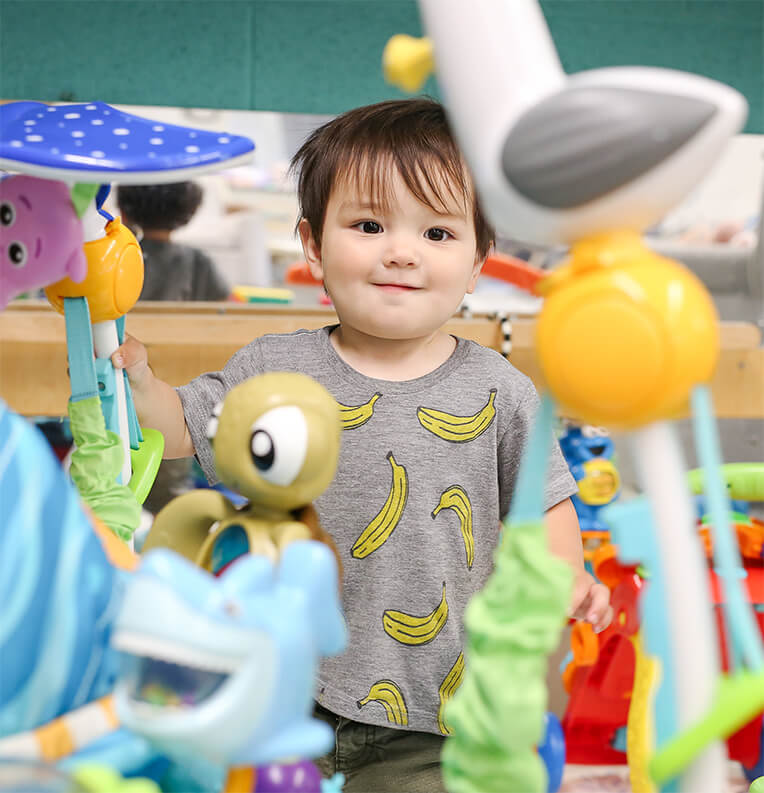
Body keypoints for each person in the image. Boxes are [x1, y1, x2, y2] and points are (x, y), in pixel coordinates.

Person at [113, 98, 612, 792]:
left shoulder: (501, 392)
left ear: (476, 263)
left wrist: (571, 577)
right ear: (313, 243)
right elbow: (184, 431)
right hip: (281, 688)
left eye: (437, 233)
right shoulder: (273, 367)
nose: (401, 251)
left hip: (436, 710)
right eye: (369, 224)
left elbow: (545, 504)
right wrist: (136, 382)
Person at [116, 181, 230, 301]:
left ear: (124, 213)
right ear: (189, 210)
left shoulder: (119, 257)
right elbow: (224, 306)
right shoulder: (199, 261)